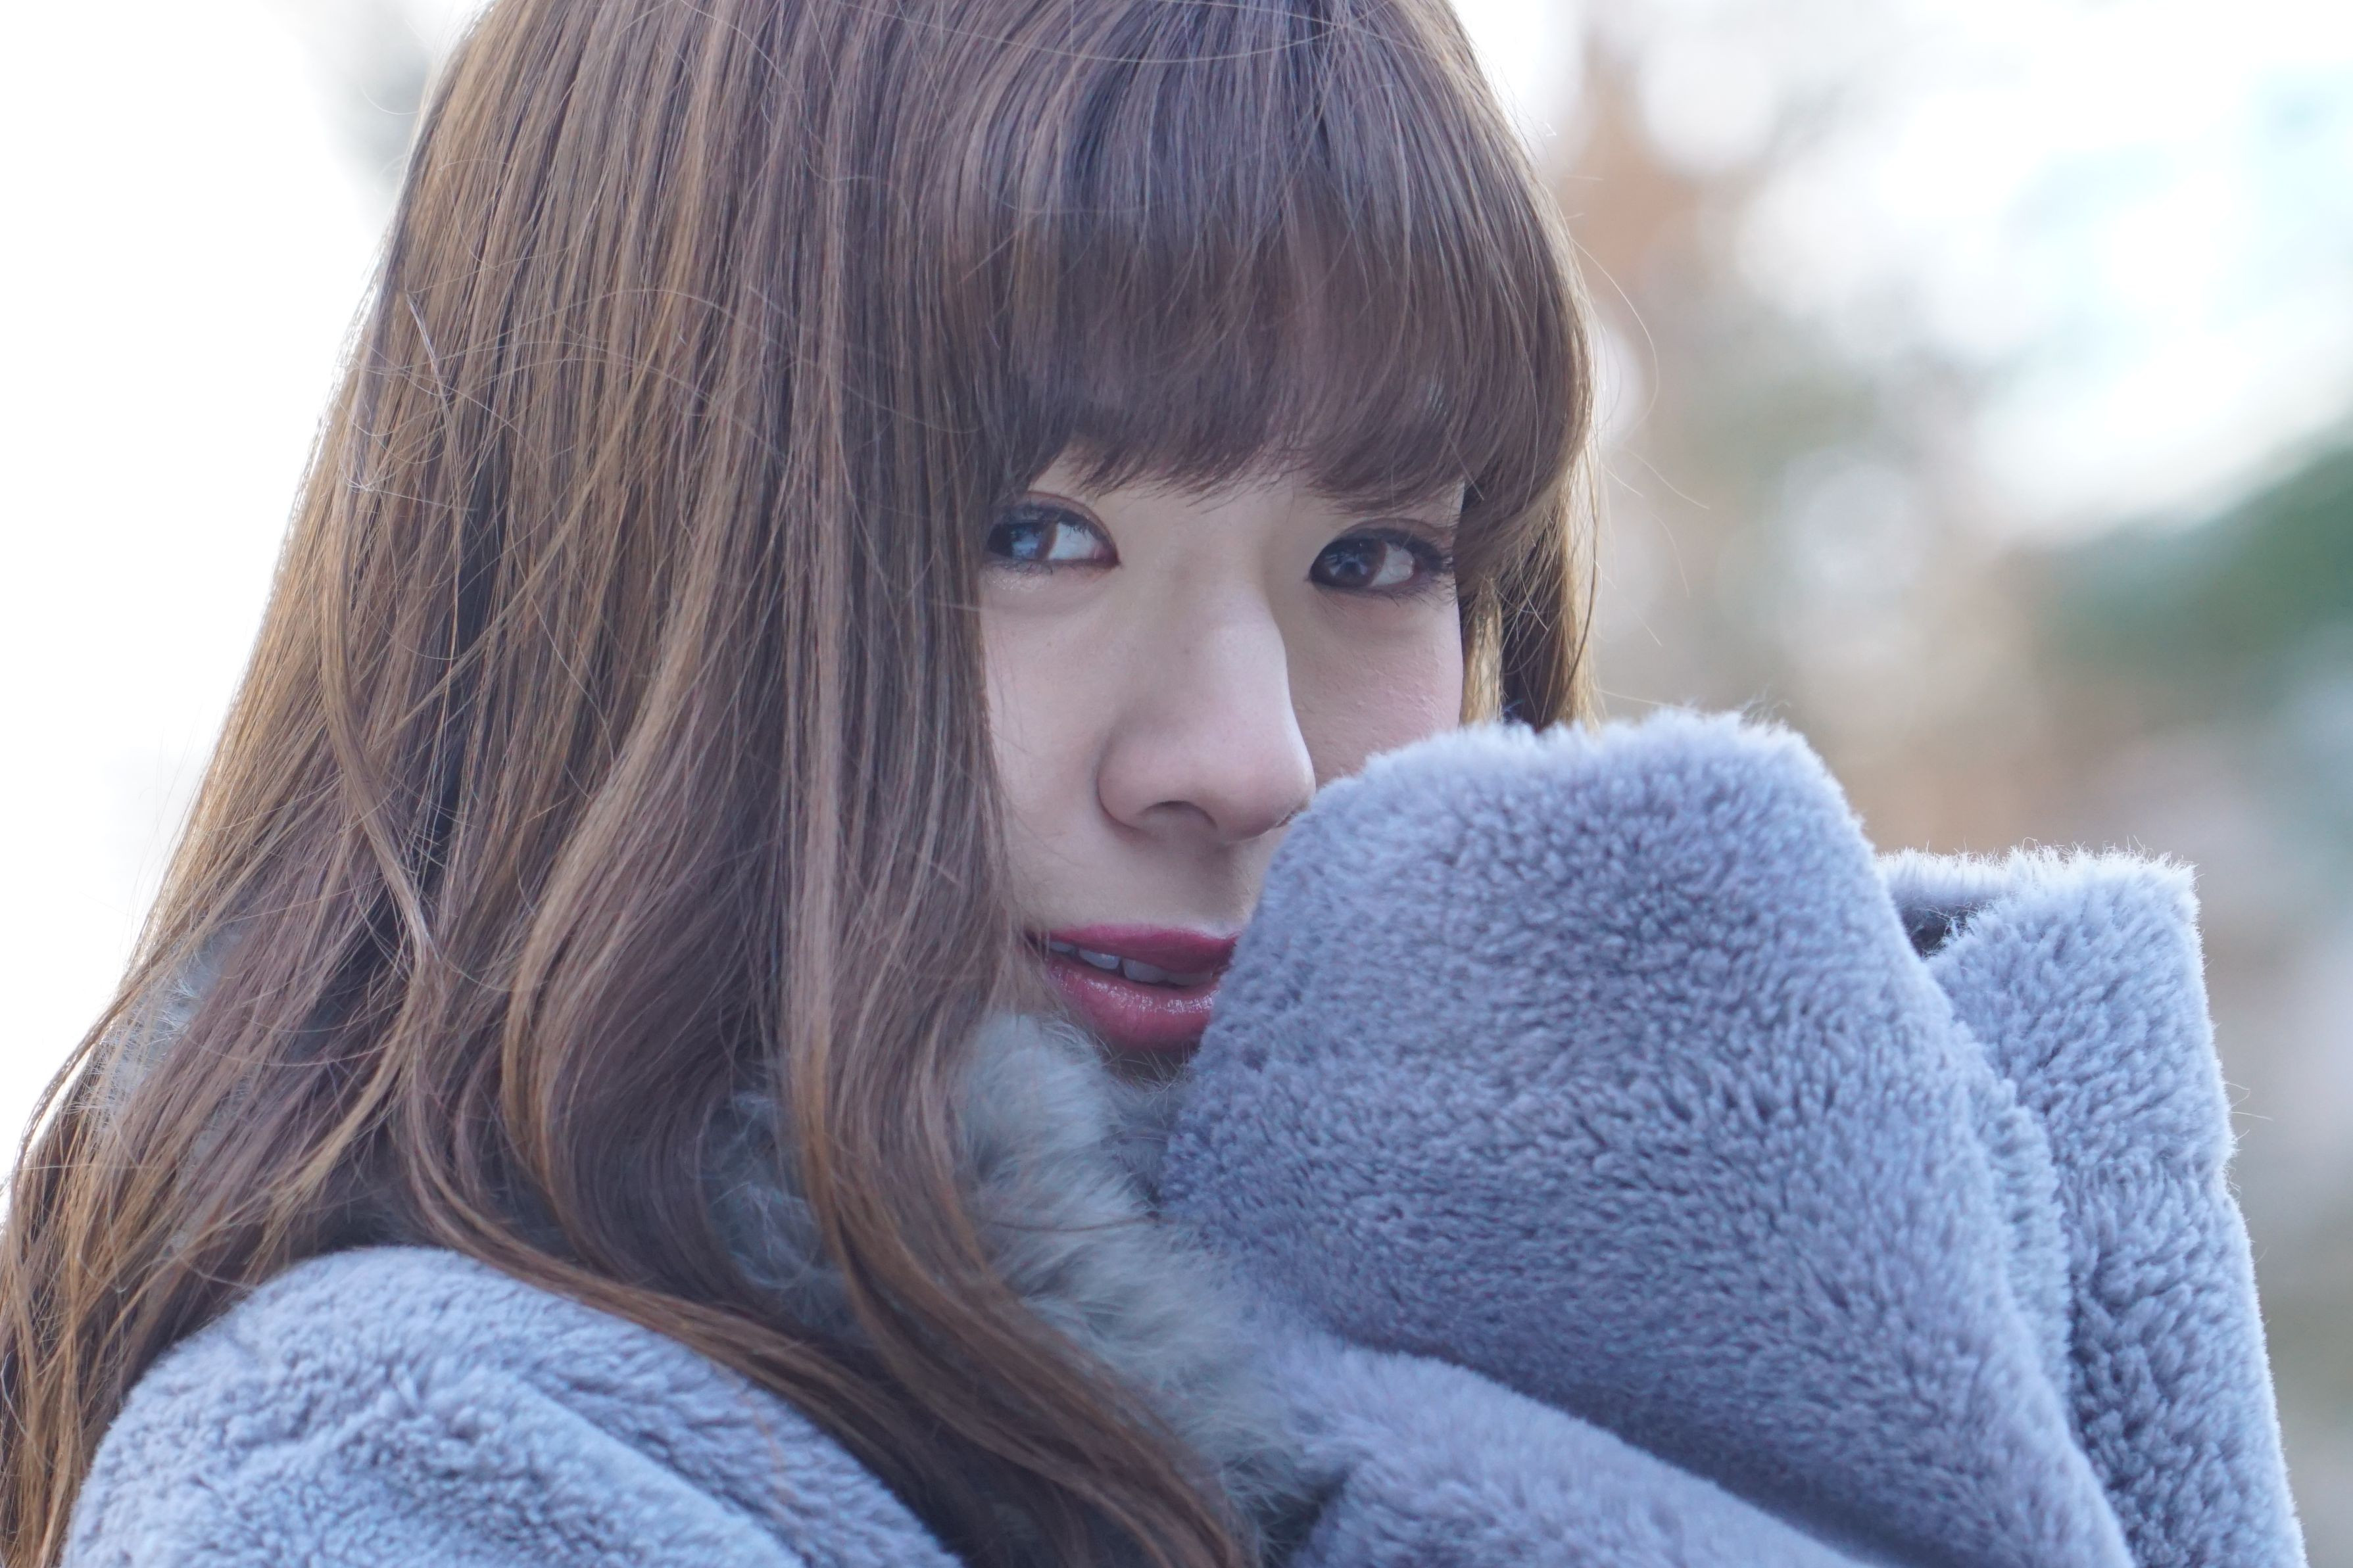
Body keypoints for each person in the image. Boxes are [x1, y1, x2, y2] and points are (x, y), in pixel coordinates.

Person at [0, 0, 2307, 1565]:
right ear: (613, 562)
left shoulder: (1826, 1250)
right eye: (1033, 533)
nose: (1245, 755)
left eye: (1373, 557)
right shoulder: (405, 1480)